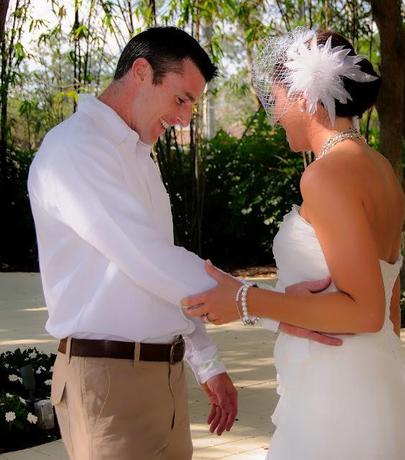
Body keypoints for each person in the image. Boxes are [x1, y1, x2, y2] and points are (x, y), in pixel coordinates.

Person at [182, 28, 405, 459]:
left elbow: (367, 311)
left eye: (275, 99)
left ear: (303, 96)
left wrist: (247, 301)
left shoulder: (326, 174)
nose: (273, 115)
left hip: (336, 395)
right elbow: (389, 305)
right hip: (372, 379)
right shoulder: (380, 169)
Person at [27, 27, 238, 460]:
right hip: (107, 385)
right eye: (181, 100)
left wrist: (206, 362)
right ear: (141, 72)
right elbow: (149, 260)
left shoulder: (140, 156)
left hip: (166, 378)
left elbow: (164, 276)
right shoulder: (74, 149)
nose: (184, 118)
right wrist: (262, 305)